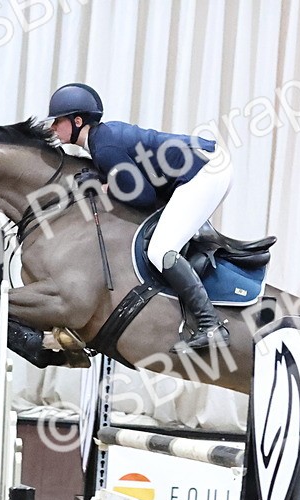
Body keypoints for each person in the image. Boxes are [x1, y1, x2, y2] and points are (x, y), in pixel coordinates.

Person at [46, 82, 231, 350]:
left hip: (207, 171)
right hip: (203, 165)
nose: (52, 127)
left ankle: (210, 325)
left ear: (77, 121)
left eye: (57, 121)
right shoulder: (102, 139)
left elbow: (142, 196)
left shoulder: (104, 147)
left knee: (161, 250)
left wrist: (103, 186)